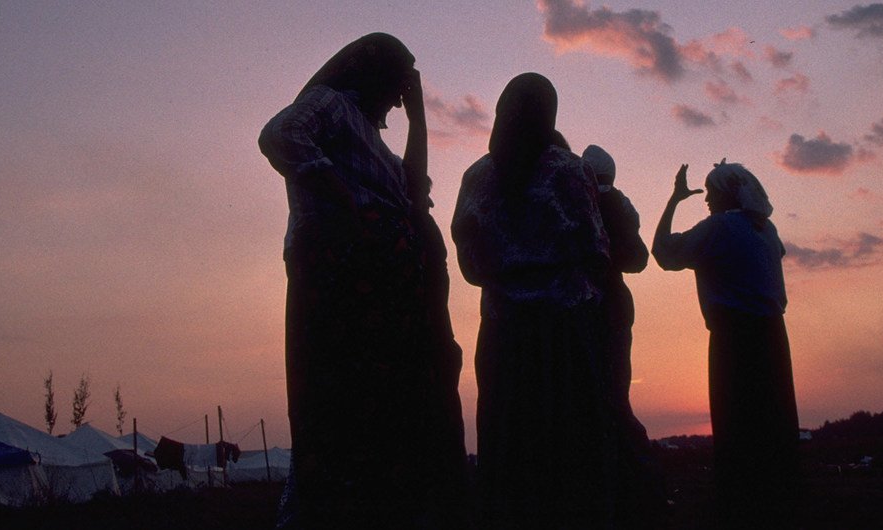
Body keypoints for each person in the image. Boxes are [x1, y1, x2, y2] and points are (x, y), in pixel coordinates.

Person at [258, 33, 467, 529]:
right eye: (399, 87)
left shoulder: (373, 141)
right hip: (342, 282)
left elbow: (414, 190)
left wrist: (419, 120)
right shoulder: (328, 103)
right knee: (342, 407)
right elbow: (280, 134)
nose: (399, 99)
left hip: (385, 290)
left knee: (387, 414)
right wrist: (347, 206)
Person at [452, 73, 616, 529]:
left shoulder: (476, 176)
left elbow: (469, 264)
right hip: (563, 330)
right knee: (569, 443)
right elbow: (596, 250)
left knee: (510, 443)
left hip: (503, 332)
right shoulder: (570, 169)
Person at [651, 160, 799, 526]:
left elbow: (663, 253)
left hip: (735, 339)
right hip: (774, 337)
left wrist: (674, 200)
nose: (707, 200)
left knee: (738, 427)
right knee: (773, 425)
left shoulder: (719, 227)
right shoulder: (766, 229)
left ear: (726, 194)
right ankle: (778, 504)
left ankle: (742, 507)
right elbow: (776, 253)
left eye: (710, 192)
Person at [581, 145, 667, 527]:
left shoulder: (588, 200)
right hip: (611, 305)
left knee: (603, 401)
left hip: (594, 306)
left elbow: (636, 257)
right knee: (613, 398)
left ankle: (634, 489)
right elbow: (638, 258)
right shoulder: (621, 204)